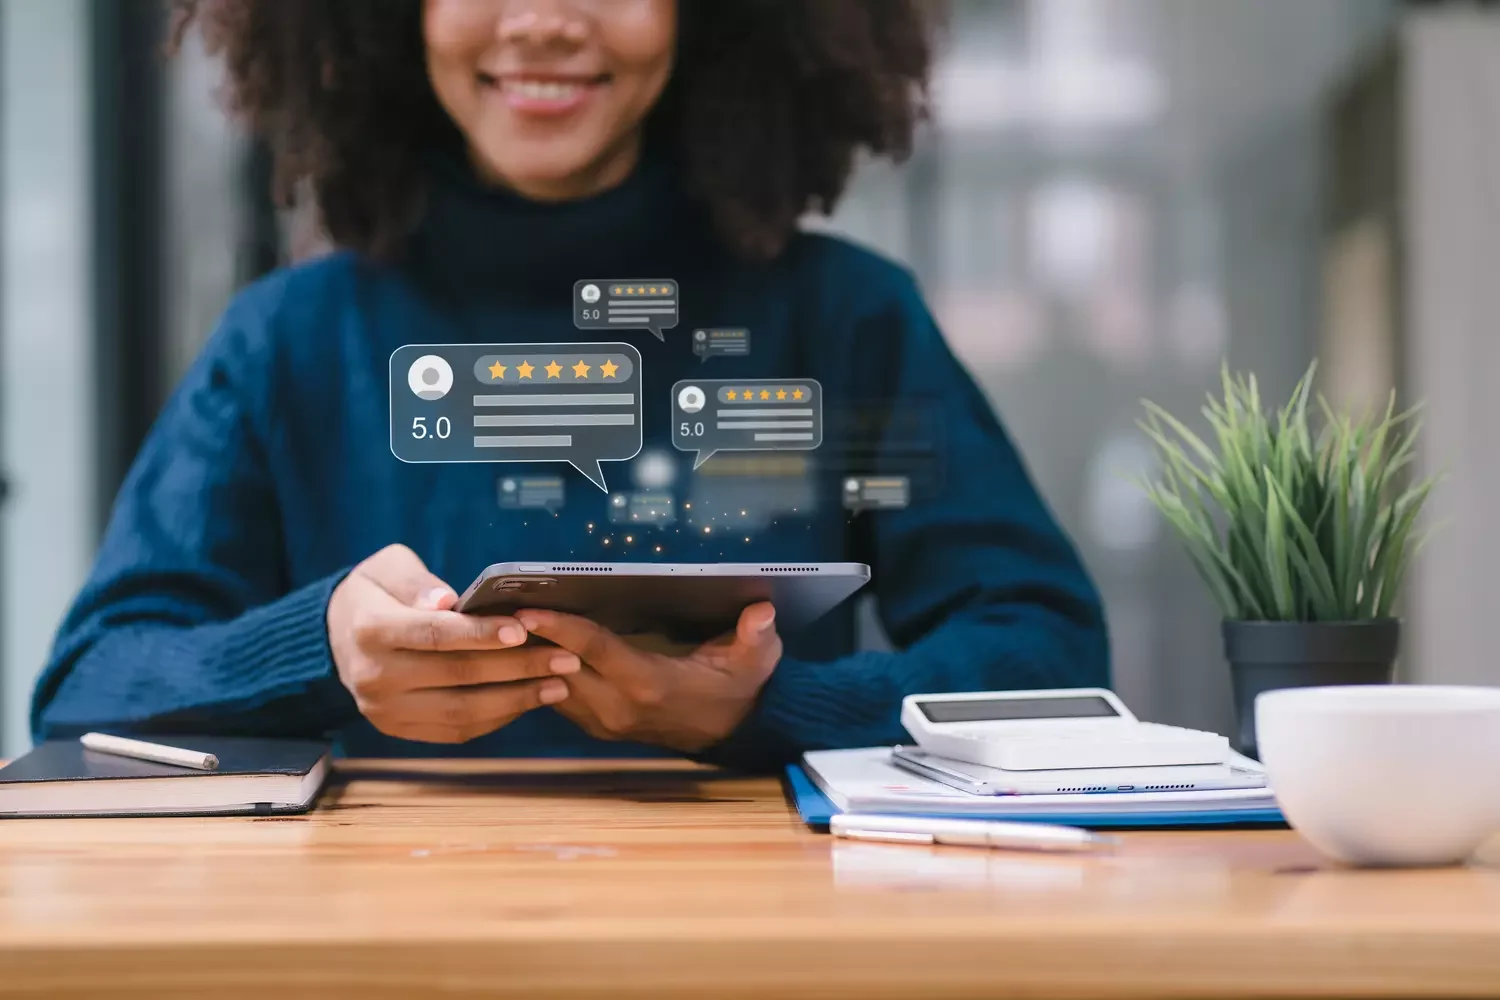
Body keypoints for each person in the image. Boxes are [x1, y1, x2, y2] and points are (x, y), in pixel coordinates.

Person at [30, 0, 1109, 770]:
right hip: (374, 952)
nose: (541, 20)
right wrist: (321, 653)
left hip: (759, 943)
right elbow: (87, 691)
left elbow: (1049, 653)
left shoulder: (845, 318)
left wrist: (773, 709)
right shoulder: (287, 340)